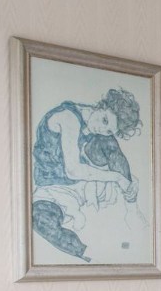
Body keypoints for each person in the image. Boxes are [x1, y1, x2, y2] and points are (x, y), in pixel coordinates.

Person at [30, 88, 145, 262]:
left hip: (85, 182)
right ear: (102, 106)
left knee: (107, 141)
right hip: (53, 186)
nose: (102, 128)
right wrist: (117, 177)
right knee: (39, 218)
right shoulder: (68, 117)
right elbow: (73, 170)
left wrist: (128, 181)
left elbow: (100, 157)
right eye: (105, 120)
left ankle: (132, 210)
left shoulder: (99, 132)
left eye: (109, 129)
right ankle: (92, 255)